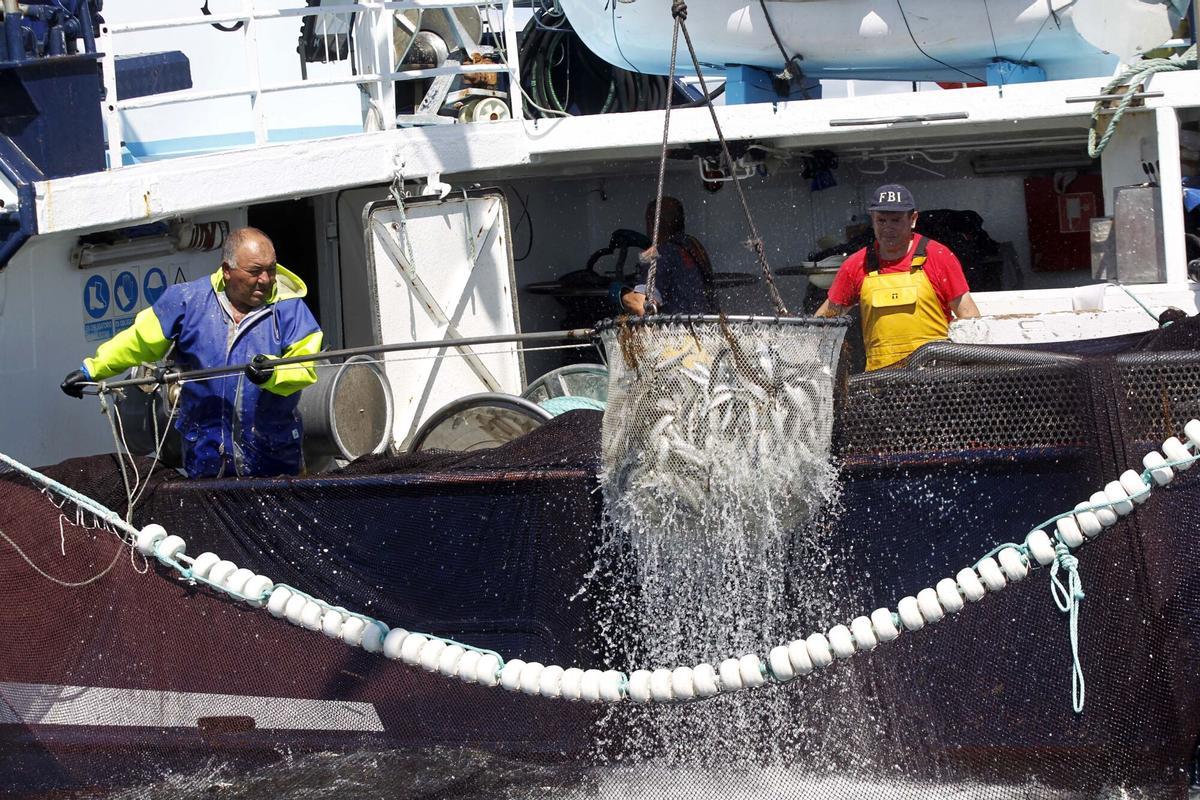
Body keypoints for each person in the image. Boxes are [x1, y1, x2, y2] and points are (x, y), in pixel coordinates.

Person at [60, 227, 323, 478]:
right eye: (255, 271)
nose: (265, 279)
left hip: (274, 460)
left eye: (271, 269)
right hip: (206, 458)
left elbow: (304, 368)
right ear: (227, 271)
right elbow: (138, 341)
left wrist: (271, 372)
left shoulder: (290, 309)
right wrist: (91, 370)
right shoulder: (186, 300)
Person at [815, 184, 980, 371]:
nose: (888, 228)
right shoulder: (856, 265)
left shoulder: (938, 257)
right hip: (880, 381)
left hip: (936, 379)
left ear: (913, 219)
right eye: (881, 220)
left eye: (896, 220)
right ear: (872, 220)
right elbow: (825, 321)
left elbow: (969, 318)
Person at [620, 196, 718, 316]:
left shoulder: (659, 254)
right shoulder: (693, 245)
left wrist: (621, 294)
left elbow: (642, 305)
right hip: (704, 323)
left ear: (653, 223)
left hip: (677, 326)